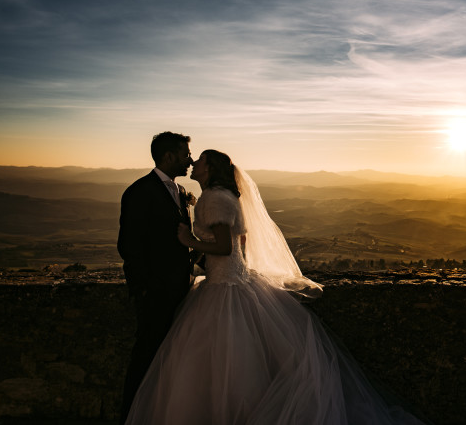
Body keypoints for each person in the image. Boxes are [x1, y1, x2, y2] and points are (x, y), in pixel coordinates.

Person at [124, 149, 424, 424]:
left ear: (211, 168)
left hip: (223, 285)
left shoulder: (213, 198)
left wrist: (189, 241)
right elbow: (238, 242)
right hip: (231, 278)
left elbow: (226, 247)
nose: (193, 163)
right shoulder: (225, 195)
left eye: (200, 159)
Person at [116, 132, 195, 424]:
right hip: (156, 294)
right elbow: (129, 247)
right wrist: (145, 290)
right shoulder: (140, 192)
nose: (191, 159)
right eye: (186, 154)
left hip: (181, 290)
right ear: (169, 156)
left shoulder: (178, 190)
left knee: (170, 360)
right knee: (146, 357)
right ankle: (131, 416)